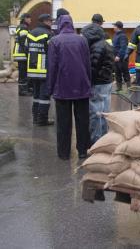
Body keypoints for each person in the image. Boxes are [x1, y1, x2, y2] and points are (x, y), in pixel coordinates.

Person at [47, 12, 92, 160]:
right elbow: (87, 64)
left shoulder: (55, 41)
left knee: (63, 124)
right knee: (83, 121)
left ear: (60, 24)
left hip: (62, 89)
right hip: (81, 87)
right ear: (72, 24)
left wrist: (50, 88)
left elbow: (52, 67)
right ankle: (83, 151)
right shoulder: (82, 40)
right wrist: (88, 84)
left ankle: (64, 153)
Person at [82, 22, 114, 144]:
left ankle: (95, 141)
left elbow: (93, 67)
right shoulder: (105, 44)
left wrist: (88, 81)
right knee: (105, 111)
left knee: (95, 113)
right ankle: (104, 138)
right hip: (106, 81)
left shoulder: (96, 47)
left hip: (98, 83)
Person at [25, 13, 55, 126]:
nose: (51, 23)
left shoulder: (31, 33)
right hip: (43, 69)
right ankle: (42, 119)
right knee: (44, 96)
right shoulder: (49, 34)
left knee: (36, 95)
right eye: (50, 21)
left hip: (32, 70)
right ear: (45, 21)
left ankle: (35, 118)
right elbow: (52, 52)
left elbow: (27, 49)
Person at [13, 13, 32, 96]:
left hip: (19, 53)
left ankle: (24, 90)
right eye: (29, 18)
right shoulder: (23, 28)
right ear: (25, 19)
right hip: (22, 54)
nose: (31, 20)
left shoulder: (20, 27)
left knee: (22, 73)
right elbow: (24, 42)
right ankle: (23, 91)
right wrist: (28, 54)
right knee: (23, 74)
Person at [112, 21, 131, 91]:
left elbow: (123, 47)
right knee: (117, 73)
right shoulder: (115, 35)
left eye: (114, 26)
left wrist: (119, 56)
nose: (113, 27)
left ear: (118, 27)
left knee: (125, 73)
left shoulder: (122, 36)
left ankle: (129, 88)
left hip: (122, 59)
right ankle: (119, 88)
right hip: (116, 58)